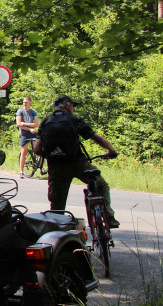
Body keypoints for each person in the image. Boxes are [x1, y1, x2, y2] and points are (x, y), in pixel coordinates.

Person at [34, 94, 121, 227]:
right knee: (102, 186)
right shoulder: (73, 119)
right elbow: (96, 138)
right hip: (78, 163)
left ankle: (57, 233)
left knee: (57, 205)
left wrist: (53, 156)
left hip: (57, 167)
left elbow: (37, 149)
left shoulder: (46, 121)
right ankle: (109, 217)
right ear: (66, 104)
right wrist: (111, 150)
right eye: (73, 105)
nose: (74, 108)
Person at [16, 96, 39, 178]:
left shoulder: (33, 112)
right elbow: (18, 124)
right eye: (23, 102)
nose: (24, 103)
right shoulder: (20, 111)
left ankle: (41, 166)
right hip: (24, 133)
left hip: (32, 132)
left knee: (38, 148)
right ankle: (21, 171)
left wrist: (25, 124)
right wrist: (29, 129)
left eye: (26, 102)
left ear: (30, 103)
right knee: (24, 150)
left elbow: (36, 124)